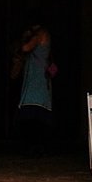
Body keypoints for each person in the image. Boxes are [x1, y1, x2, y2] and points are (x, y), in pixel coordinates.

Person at [11, 23, 56, 154]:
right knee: (32, 114)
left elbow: (25, 48)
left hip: (38, 81)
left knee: (35, 113)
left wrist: (26, 37)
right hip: (34, 80)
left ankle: (37, 146)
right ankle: (33, 145)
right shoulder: (38, 37)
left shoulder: (40, 34)